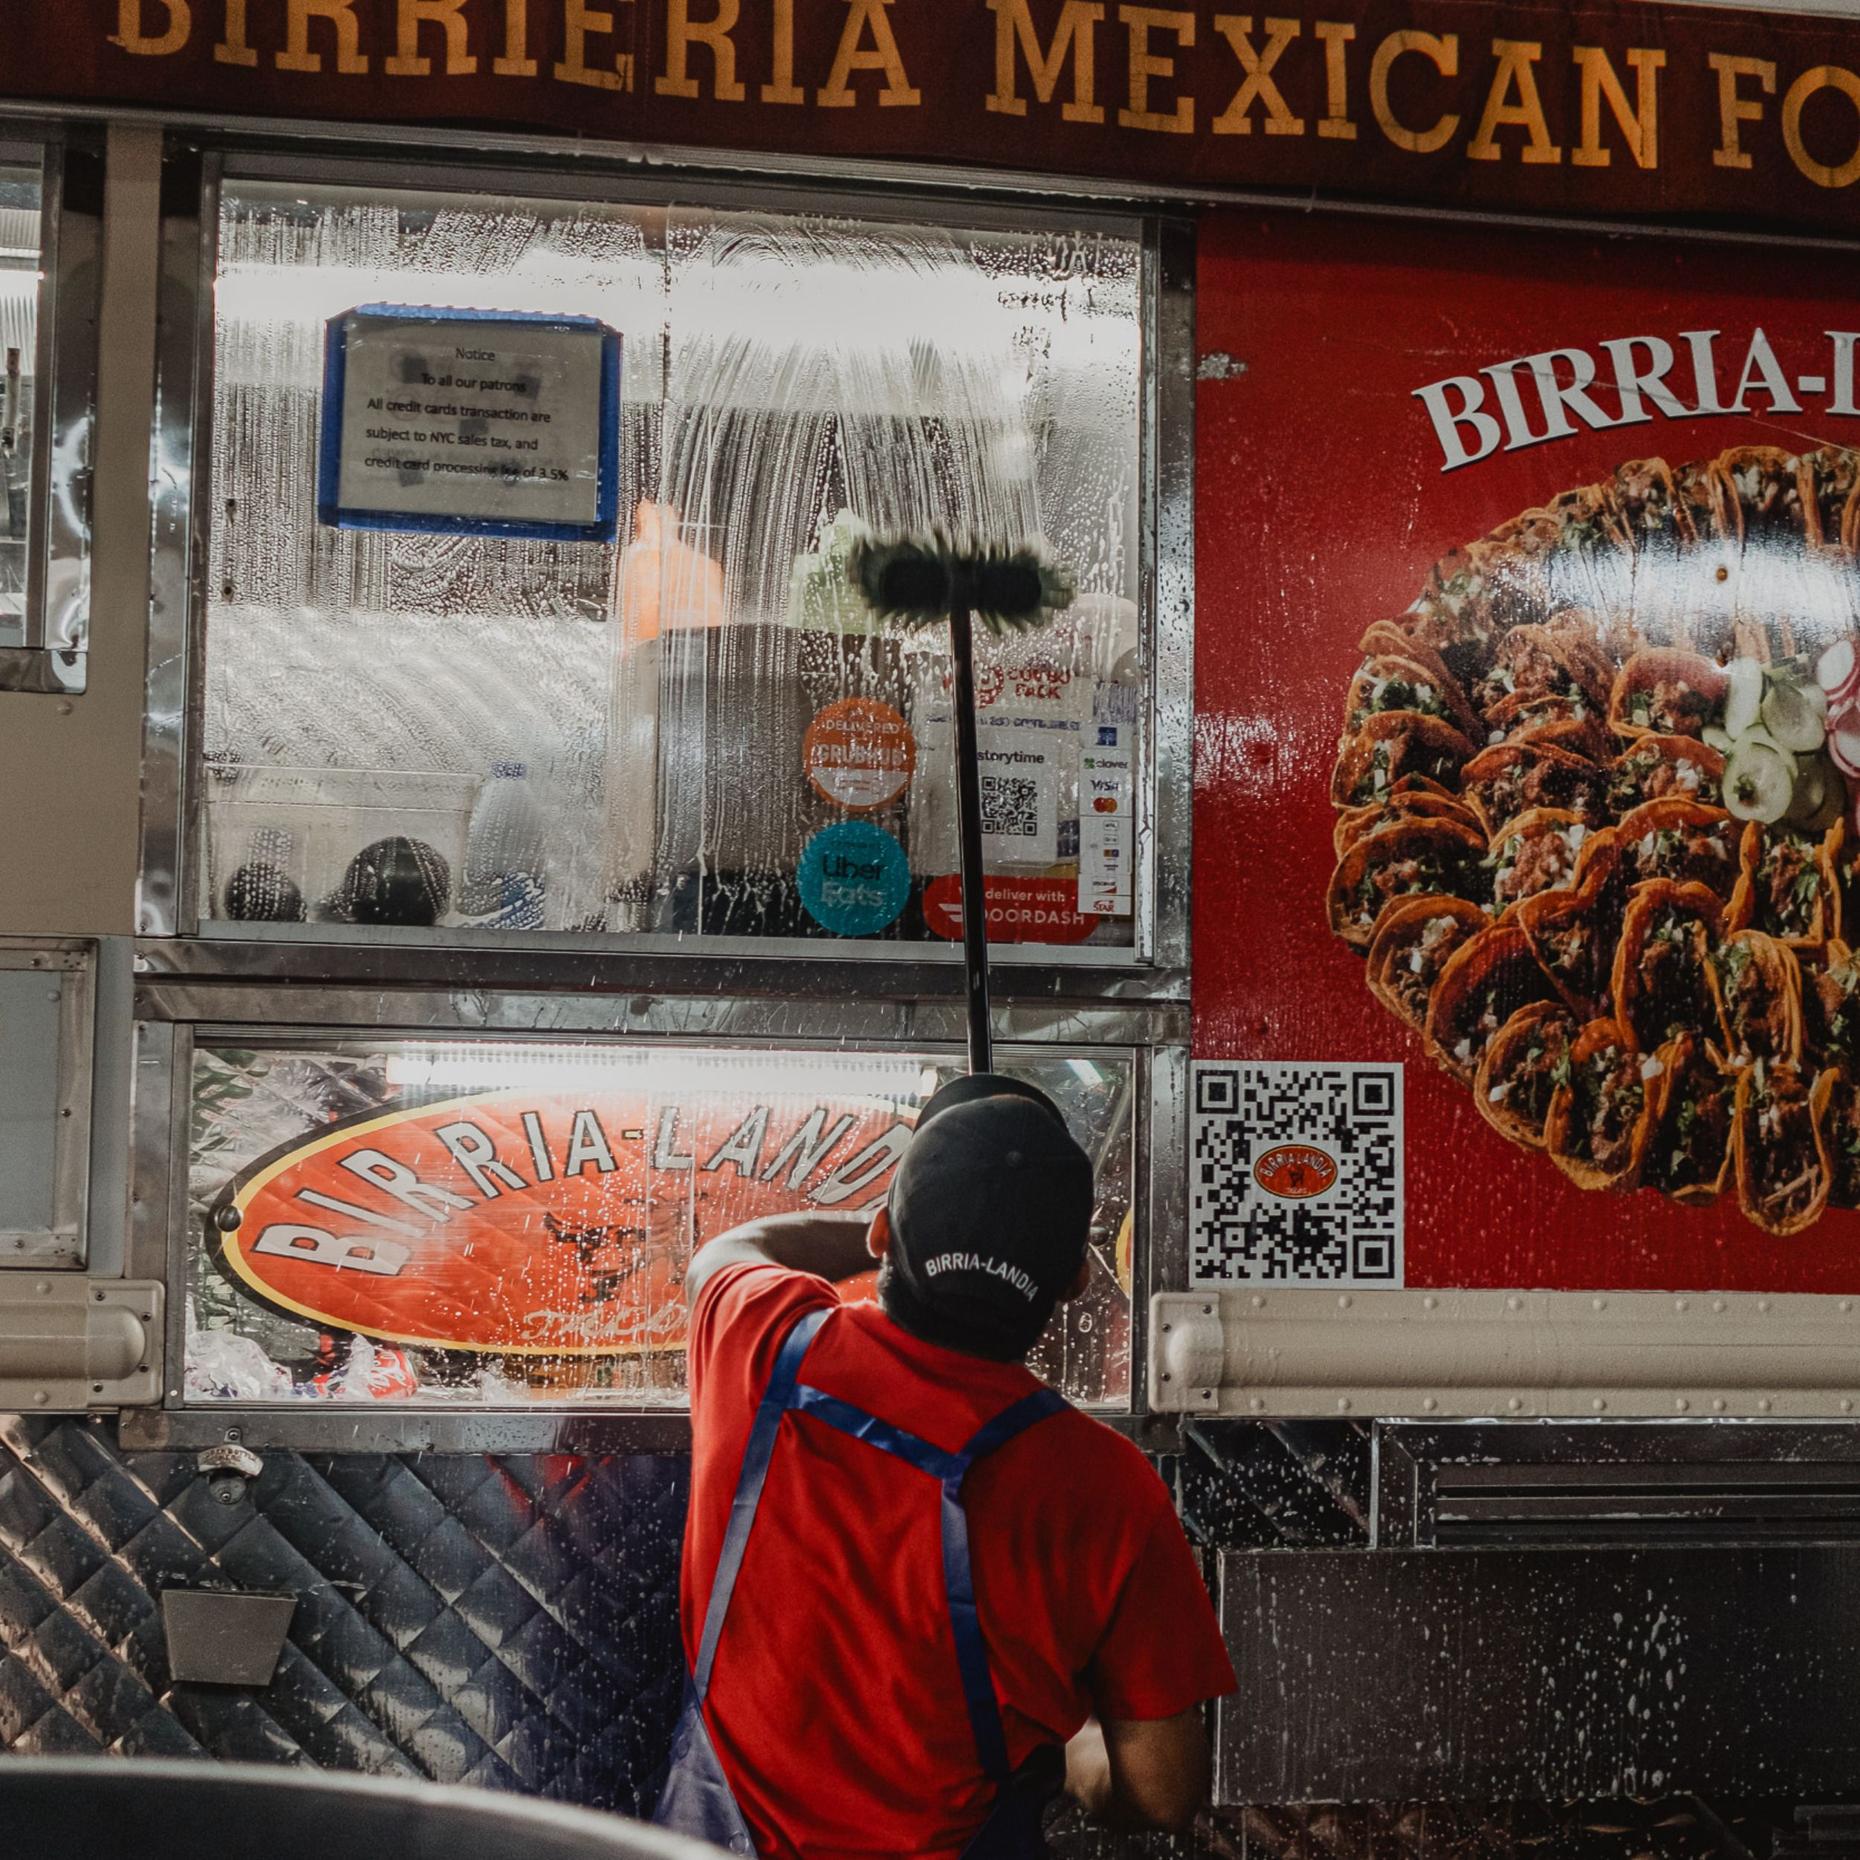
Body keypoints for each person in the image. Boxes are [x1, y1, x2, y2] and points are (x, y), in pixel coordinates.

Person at [655, 1073, 1237, 1859]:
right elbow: (1165, 1790)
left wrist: (914, 1212)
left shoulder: (762, 1344)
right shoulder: (1109, 1487)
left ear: (876, 1236)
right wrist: (1072, 1755)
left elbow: (732, 1248)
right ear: (1073, 1282)